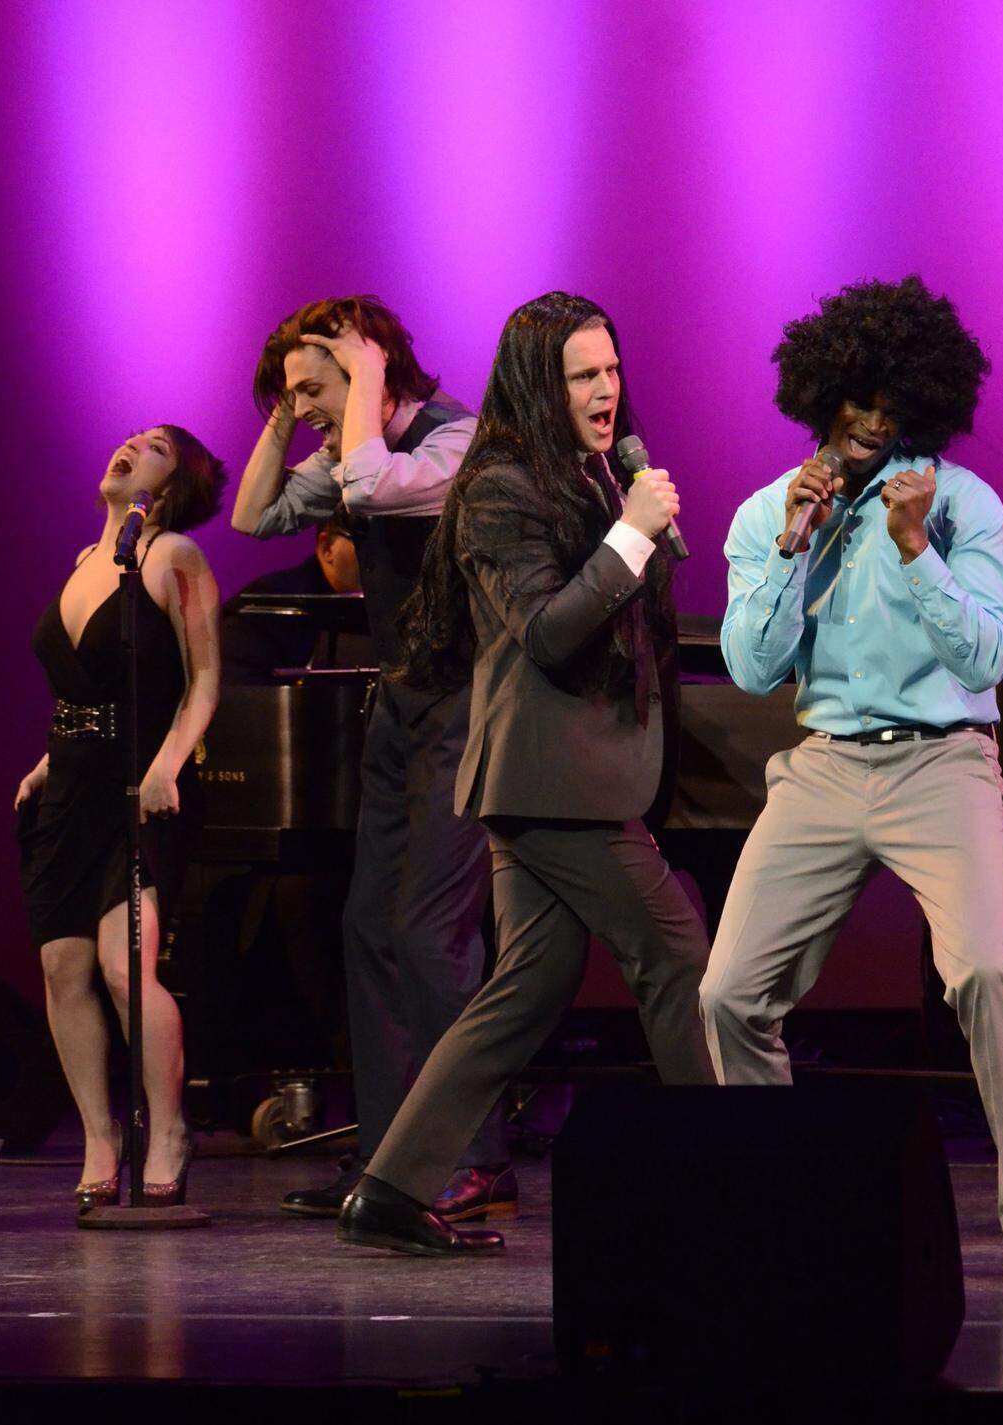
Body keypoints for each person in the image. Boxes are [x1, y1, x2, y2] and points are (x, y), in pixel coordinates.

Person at [698, 275, 1003, 1281]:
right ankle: (772, 1198)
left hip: (943, 763)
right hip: (823, 769)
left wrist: (916, 550)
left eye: (888, 403)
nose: (868, 421)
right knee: (729, 993)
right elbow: (751, 668)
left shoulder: (965, 506)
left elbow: (987, 657)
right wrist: (789, 548)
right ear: (820, 397)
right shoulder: (765, 513)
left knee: (986, 974)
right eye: (852, 399)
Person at [336, 291, 717, 1258]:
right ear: (538, 385)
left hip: (571, 778)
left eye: (612, 370)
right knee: (674, 952)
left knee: (526, 988)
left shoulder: (591, 472)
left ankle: (389, 1184)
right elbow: (546, 634)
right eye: (582, 375)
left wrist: (628, 524)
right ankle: (735, 1172)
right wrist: (631, 534)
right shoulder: (502, 482)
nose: (605, 390)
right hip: (550, 783)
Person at [231, 296, 512, 1221]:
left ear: (371, 363)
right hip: (401, 704)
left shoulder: (456, 437)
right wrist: (286, 402)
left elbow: (370, 489)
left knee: (432, 933)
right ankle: (392, 1158)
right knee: (366, 928)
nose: (304, 406)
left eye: (315, 386)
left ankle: (477, 1156)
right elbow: (255, 513)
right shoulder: (342, 438)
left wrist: (364, 378)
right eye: (291, 395)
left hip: (468, 704)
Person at [15, 426, 224, 1213]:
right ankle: (100, 1137)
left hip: (141, 785)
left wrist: (167, 764)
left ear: (172, 486)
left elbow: (203, 681)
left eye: (156, 447)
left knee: (120, 963)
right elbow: (77, 690)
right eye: (131, 438)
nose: (131, 445)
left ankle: (168, 1129)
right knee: (62, 967)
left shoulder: (172, 557)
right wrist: (47, 760)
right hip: (71, 788)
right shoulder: (82, 562)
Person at [219, 514, 370, 684]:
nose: (385, 556)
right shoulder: (259, 613)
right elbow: (245, 698)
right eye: (367, 541)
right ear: (327, 547)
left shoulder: (395, 608)